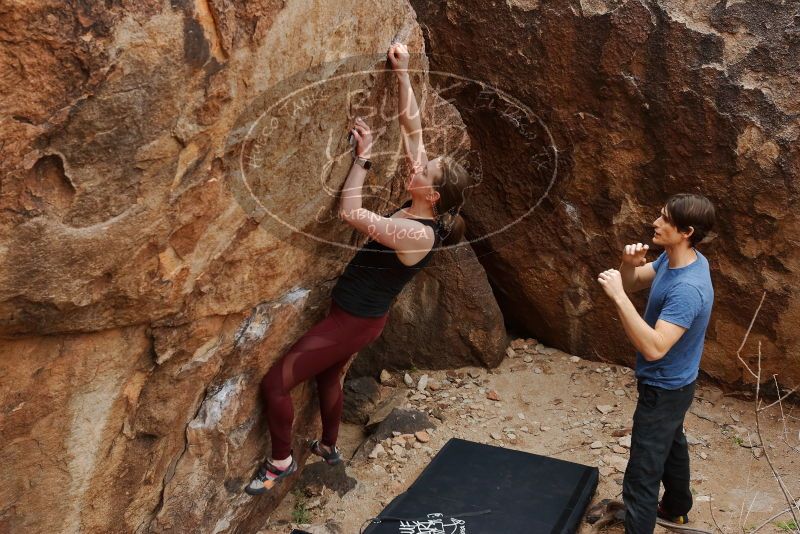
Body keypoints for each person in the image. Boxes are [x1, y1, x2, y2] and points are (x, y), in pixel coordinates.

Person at [245, 42, 475, 495]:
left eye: (425, 170)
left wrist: (363, 160)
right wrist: (403, 70)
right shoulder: (421, 203)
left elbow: (351, 213)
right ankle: (330, 447)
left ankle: (281, 461)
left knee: (276, 384)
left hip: (352, 322)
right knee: (329, 376)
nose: (419, 163)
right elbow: (413, 127)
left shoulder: (418, 233)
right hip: (359, 316)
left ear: (432, 194)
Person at [596, 193, 716, 532]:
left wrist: (618, 296)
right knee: (672, 442)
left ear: (686, 231)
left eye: (664, 219)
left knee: (641, 476)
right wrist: (626, 264)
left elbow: (654, 348)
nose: (655, 223)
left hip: (663, 388)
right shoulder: (678, 258)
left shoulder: (688, 289)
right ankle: (677, 508)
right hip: (677, 385)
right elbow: (634, 281)